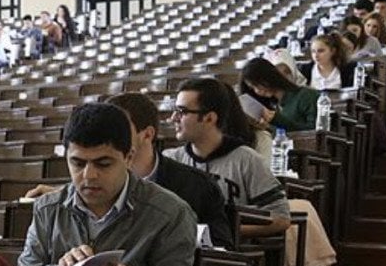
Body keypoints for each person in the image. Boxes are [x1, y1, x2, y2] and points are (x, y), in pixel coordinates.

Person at [16, 103, 198, 266]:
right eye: (77, 163)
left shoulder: (171, 214)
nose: (89, 175)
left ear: (129, 158)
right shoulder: (47, 208)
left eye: (103, 164)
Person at [26, 94, 235, 251]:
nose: (89, 175)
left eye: (118, 125)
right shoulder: (63, 200)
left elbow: (220, 257)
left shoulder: (192, 190)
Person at [164, 77, 290, 238]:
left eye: (182, 112)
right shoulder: (171, 160)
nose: (173, 118)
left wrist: (224, 233)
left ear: (209, 118)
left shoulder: (246, 159)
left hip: (229, 256)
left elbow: (281, 217)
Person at [239, 57, 321, 132]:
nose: (257, 91)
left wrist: (277, 120)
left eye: (257, 84)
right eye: (252, 88)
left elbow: (314, 131)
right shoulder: (273, 106)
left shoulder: (306, 96)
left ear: (269, 76)